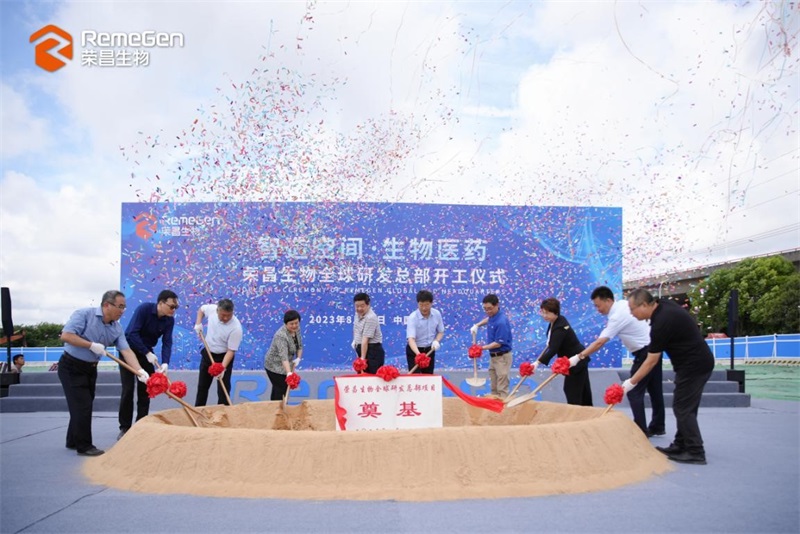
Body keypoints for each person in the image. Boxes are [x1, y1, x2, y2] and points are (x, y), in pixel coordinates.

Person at [625, 288, 715, 465]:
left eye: (632, 309)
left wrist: (630, 383)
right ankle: (681, 444)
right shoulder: (664, 307)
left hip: (694, 365)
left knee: (683, 408)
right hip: (692, 364)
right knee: (684, 406)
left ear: (644, 305)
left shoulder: (661, 322)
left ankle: (695, 451)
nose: (631, 313)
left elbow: (651, 361)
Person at [58, 290, 149, 456]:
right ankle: (84, 445)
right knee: (82, 405)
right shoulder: (84, 315)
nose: (122, 311)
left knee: (83, 404)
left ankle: (72, 440)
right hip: (71, 366)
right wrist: (90, 345)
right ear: (107, 305)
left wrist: (140, 371)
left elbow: (126, 351)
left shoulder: (117, 328)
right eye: (120, 306)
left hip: (90, 368)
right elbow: (66, 336)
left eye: (124, 307)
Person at [575, 286, 665, 436]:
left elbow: (600, 342)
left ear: (608, 300)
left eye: (598, 305)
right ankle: (658, 426)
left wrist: (578, 357)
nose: (597, 309)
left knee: (633, 390)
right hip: (654, 349)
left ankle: (640, 431)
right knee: (655, 390)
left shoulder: (617, 316)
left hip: (645, 353)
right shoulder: (623, 305)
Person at [117, 290, 179, 440]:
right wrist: (146, 352)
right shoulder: (144, 309)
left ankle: (141, 425)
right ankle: (125, 427)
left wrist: (165, 363)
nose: (173, 310)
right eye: (171, 306)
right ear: (161, 303)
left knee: (146, 390)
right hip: (129, 351)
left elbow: (167, 342)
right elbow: (132, 333)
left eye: (176, 307)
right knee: (128, 389)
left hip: (147, 354)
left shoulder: (169, 320)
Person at [534, 297, 592, 406]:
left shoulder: (560, 326)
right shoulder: (555, 321)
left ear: (555, 312)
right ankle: (586, 412)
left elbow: (553, 349)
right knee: (582, 392)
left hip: (577, 361)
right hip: (572, 362)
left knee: (572, 391)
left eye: (547, 313)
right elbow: (551, 344)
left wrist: (538, 362)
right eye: (543, 312)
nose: (544, 315)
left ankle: (577, 414)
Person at [193, 298, 243, 406]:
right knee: (202, 386)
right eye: (223, 315)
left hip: (224, 357)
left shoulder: (236, 328)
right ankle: (198, 411)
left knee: (223, 390)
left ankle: (223, 413)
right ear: (217, 311)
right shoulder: (212, 309)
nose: (226, 318)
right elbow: (201, 310)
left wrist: (222, 368)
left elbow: (231, 351)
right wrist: (198, 323)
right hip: (208, 353)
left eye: (228, 315)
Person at [469, 294, 513, 398]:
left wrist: (481, 348)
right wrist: (477, 325)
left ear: (497, 305)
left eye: (490, 308)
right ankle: (494, 405)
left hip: (502, 357)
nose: (488, 311)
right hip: (493, 357)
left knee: (502, 387)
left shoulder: (501, 322)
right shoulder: (493, 316)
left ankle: (503, 405)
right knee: (494, 386)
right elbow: (488, 319)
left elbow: (498, 343)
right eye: (485, 309)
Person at [264, 310, 303, 401]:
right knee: (280, 388)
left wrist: (298, 358)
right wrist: (289, 373)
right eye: (291, 324)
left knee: (280, 388)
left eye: (296, 323)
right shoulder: (281, 336)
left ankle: (276, 406)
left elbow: (300, 346)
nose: (294, 325)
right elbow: (283, 356)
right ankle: (277, 407)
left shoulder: (297, 329)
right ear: (286, 324)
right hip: (274, 365)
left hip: (286, 364)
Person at [405, 290, 445, 374]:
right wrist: (419, 355)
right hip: (415, 350)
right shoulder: (413, 317)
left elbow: (441, 331)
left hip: (429, 350)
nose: (424, 308)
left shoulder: (436, 314)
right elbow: (411, 339)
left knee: (428, 376)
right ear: (418, 304)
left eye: (426, 305)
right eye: (421, 305)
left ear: (431, 303)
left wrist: (436, 341)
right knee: (415, 377)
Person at [352, 292, 384, 374]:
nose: (359, 308)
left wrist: (362, 360)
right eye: (357, 306)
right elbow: (356, 331)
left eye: (362, 306)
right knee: (362, 378)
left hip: (372, 352)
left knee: (372, 378)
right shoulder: (357, 315)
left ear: (368, 304)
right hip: (362, 349)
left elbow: (365, 340)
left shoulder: (371, 317)